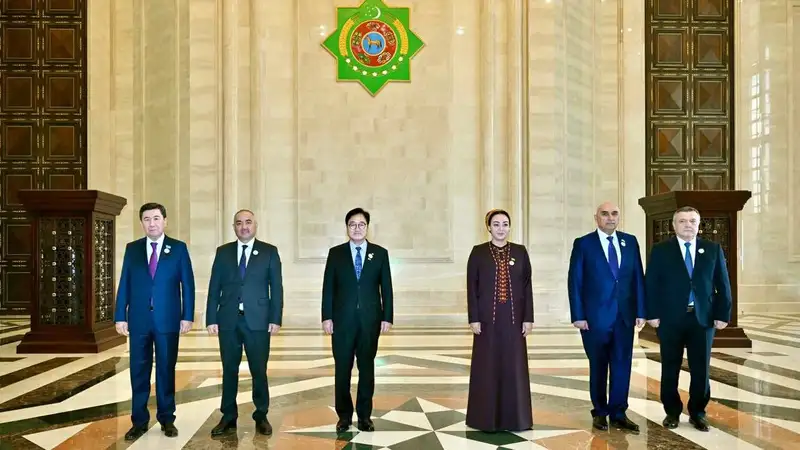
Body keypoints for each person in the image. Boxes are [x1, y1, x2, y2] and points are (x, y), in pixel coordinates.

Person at [645, 206, 732, 432]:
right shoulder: (661, 250)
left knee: (701, 369)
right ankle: (672, 412)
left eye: (692, 221)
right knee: (670, 367)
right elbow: (651, 284)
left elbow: (723, 284)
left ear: (698, 224)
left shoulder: (712, 249)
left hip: (702, 320)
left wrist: (723, 314)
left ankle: (698, 413)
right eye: (682, 221)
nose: (688, 225)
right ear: (674, 225)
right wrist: (651, 313)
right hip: (670, 319)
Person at [114, 202, 195, 441]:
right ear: (141, 223)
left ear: (165, 221)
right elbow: (125, 283)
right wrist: (120, 316)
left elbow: (187, 285)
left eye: (156, 218)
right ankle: (139, 421)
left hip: (167, 320)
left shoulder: (178, 249)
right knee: (138, 371)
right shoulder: (133, 249)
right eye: (147, 219)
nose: (152, 223)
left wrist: (187, 315)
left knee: (166, 369)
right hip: (139, 320)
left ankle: (167, 418)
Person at [567, 202, 645, 432]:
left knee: (622, 365)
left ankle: (619, 412)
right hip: (594, 319)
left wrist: (641, 311)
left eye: (614, 214)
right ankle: (600, 411)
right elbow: (575, 281)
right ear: (596, 218)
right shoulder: (583, 244)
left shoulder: (630, 241)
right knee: (599, 365)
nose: (610, 218)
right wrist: (578, 315)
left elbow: (638, 277)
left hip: (624, 317)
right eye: (605, 214)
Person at [205, 209, 283, 436]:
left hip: (258, 321)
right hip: (228, 320)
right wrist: (211, 318)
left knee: (259, 370)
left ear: (255, 225)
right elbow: (214, 287)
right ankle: (228, 416)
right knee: (229, 369)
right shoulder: (223, 252)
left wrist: (275, 318)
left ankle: (261, 415)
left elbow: (276, 288)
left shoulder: (269, 252)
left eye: (248, 222)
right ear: (234, 227)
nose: (244, 227)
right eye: (239, 223)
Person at [321, 207, 394, 433]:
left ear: (367, 227)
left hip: (370, 321)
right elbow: (328, 288)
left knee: (367, 369)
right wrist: (326, 316)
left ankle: (364, 416)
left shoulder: (380, 253)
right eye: (352, 224)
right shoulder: (336, 253)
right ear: (347, 228)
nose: (357, 228)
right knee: (342, 370)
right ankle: (344, 417)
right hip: (342, 322)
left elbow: (387, 288)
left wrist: (387, 316)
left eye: (361, 224)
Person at [465, 209, 534, 432]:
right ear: (489, 227)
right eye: (496, 224)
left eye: (505, 224)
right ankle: (485, 419)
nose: (501, 228)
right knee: (487, 368)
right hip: (486, 323)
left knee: (514, 368)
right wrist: (474, 318)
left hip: (514, 322)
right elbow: (472, 287)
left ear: (509, 227)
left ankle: (516, 419)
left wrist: (528, 318)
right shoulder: (478, 253)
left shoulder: (520, 252)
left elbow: (527, 286)